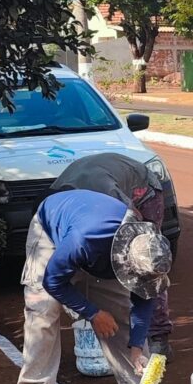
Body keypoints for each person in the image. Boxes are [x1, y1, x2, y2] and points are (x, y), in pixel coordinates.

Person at [16, 187, 185, 384]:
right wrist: (93, 313)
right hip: (51, 231)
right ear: (124, 260)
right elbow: (52, 281)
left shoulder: (147, 244)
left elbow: (144, 296)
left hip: (101, 244)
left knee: (120, 314)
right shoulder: (85, 240)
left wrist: (137, 346)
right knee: (43, 310)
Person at [49, 151, 173, 357]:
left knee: (148, 260)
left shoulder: (109, 198)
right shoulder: (64, 204)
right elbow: (60, 270)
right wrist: (90, 309)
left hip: (143, 192)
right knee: (115, 260)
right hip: (98, 195)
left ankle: (158, 335)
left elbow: (132, 217)